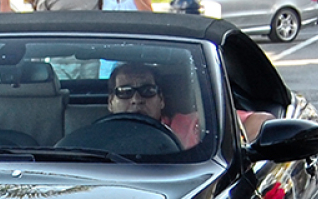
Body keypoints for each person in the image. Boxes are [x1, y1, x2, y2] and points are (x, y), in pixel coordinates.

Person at [105, 63, 271, 150]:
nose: (136, 99)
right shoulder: (96, 139)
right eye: (125, 92)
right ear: (111, 102)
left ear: (161, 100)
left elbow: (261, 121)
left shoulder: (191, 126)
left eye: (147, 91)